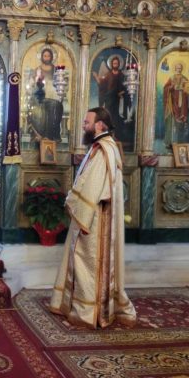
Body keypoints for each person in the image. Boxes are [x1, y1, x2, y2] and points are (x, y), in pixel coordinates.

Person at [49, 107, 136, 328]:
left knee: (89, 264)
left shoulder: (103, 149)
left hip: (95, 219)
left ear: (99, 125)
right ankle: (85, 307)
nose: (84, 125)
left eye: (87, 122)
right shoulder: (104, 146)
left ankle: (87, 311)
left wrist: (79, 212)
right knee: (86, 263)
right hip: (94, 215)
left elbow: (92, 186)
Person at [92, 55, 132, 149]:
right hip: (109, 99)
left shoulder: (122, 75)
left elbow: (126, 86)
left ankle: (116, 135)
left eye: (116, 63)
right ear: (111, 64)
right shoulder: (108, 75)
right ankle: (108, 135)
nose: (115, 64)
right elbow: (102, 86)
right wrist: (97, 77)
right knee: (109, 117)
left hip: (118, 100)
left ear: (119, 64)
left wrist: (122, 92)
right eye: (114, 63)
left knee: (117, 118)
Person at [28, 47, 64, 141]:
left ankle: (50, 136)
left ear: (52, 57)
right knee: (39, 109)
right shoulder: (37, 70)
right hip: (39, 98)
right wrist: (37, 82)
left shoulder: (56, 70)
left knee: (56, 106)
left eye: (48, 56)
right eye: (45, 56)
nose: (47, 58)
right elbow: (31, 85)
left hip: (53, 97)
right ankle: (40, 134)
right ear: (41, 57)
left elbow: (60, 85)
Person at [163, 62, 189, 148]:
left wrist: (185, 89)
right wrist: (172, 87)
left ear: (182, 69)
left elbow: (188, 90)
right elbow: (166, 88)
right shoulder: (171, 78)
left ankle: (181, 142)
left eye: (180, 68)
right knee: (172, 121)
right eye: (177, 68)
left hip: (183, 103)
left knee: (182, 121)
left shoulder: (184, 78)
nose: (179, 69)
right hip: (173, 102)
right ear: (175, 68)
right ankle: (171, 142)